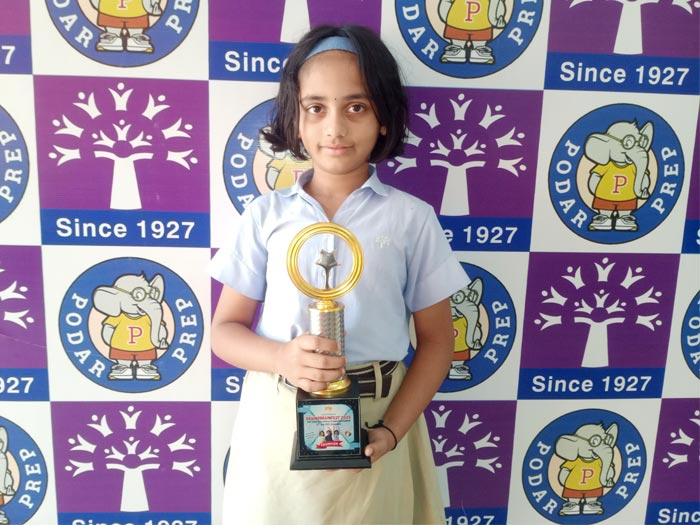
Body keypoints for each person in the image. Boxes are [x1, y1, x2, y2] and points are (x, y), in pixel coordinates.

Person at [210, 24, 470, 525]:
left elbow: (439, 343)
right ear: (295, 117)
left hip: (378, 417)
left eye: (356, 107)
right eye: (316, 107)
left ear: (384, 118)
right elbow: (225, 331)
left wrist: (390, 431)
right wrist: (282, 357)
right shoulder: (265, 215)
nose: (334, 128)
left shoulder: (412, 219)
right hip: (277, 420)